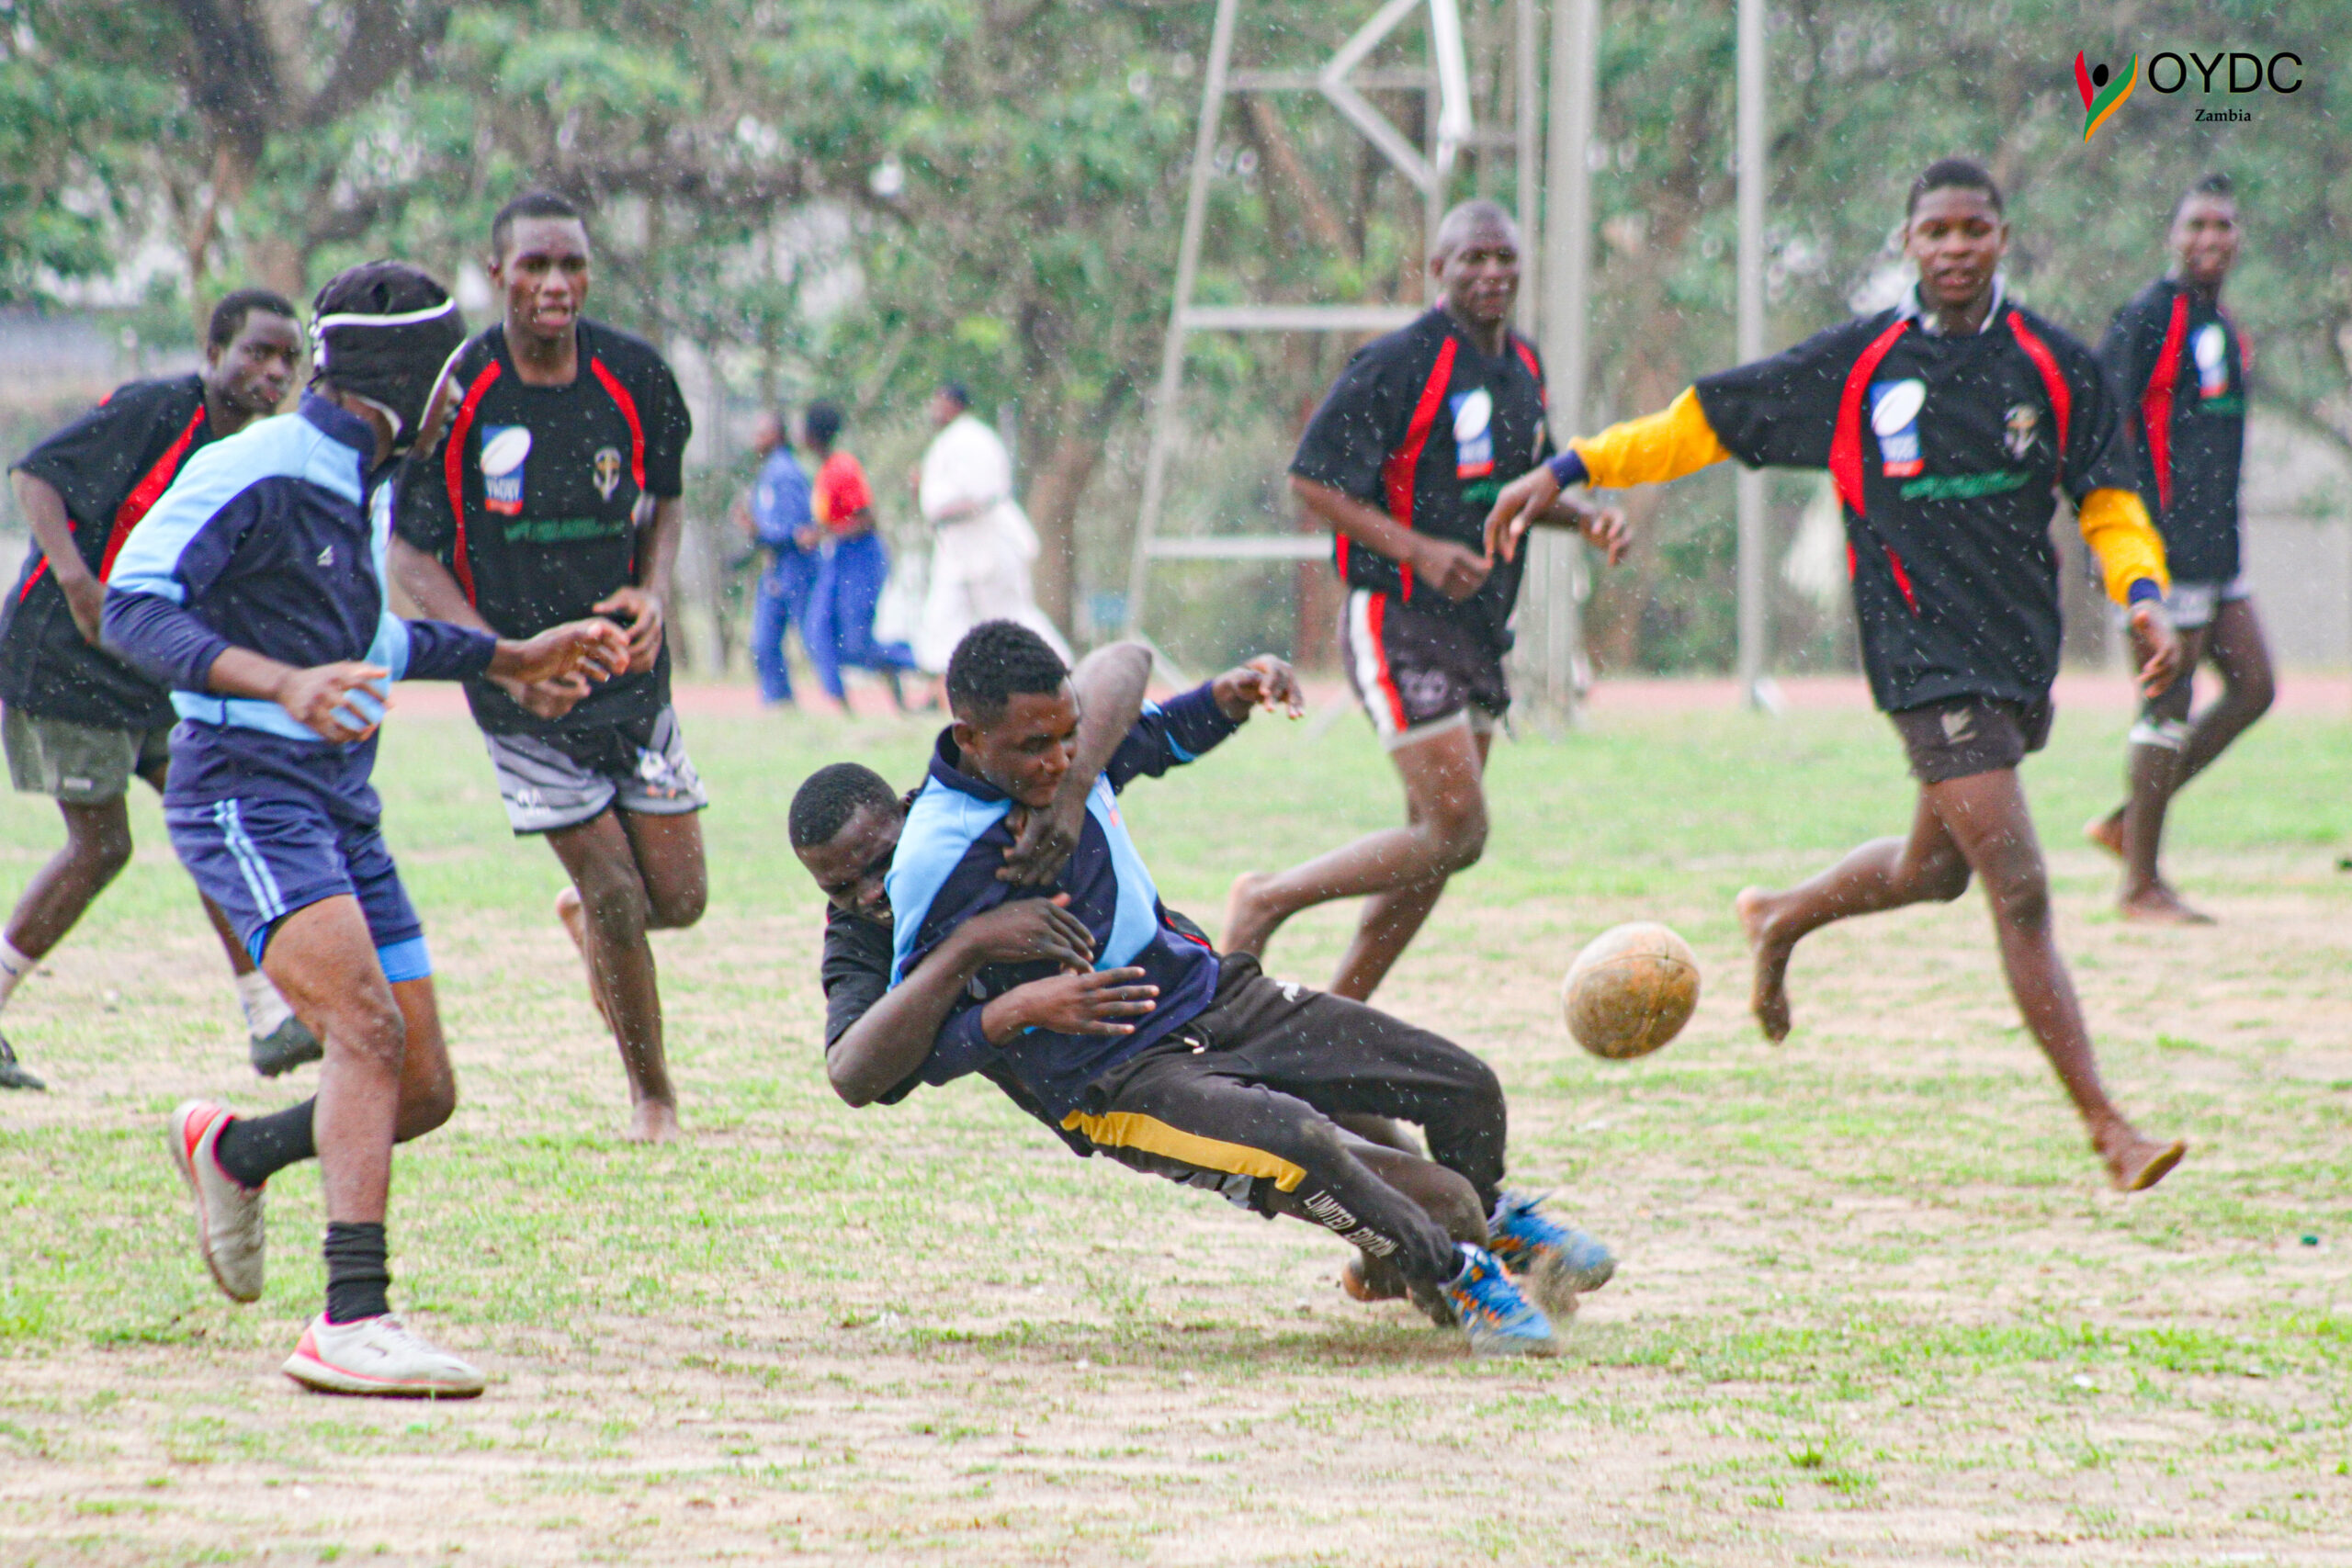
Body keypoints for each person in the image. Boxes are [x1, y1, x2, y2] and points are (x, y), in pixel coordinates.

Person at [1485, 159, 2187, 1193]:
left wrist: (2140, 594)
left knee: (1934, 872)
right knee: (2021, 887)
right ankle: (2108, 1127)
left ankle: (1778, 918)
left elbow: (2110, 499)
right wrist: (1567, 468)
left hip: (2011, 656)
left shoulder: (2052, 365)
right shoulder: (1858, 365)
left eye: (1972, 229)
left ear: (2001, 238)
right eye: (1934, 230)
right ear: (1907, 242)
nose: (1952, 247)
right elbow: (1701, 423)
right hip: (1917, 654)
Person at [104, 261, 630, 1396]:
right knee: (367, 1033)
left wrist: (507, 655)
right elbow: (133, 603)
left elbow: (373, 641)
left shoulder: (368, 480)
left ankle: (234, 1151)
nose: (462, 398)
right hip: (245, 783)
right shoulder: (260, 464)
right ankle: (349, 1317)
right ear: (408, 379)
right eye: (454, 374)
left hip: (342, 800)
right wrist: (275, 684)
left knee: (422, 1086)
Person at [825, 619, 1617, 1356]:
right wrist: (989, 975)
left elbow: (1130, 666)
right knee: (1327, 1154)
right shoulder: (935, 856)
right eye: (1037, 746)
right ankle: (1453, 1273)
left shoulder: (1066, 765)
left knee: (1465, 1085)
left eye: (1069, 736)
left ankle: (1492, 1224)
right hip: (1124, 1079)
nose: (1059, 758)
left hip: (1214, 995)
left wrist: (1208, 711)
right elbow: (878, 1065)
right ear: (970, 737)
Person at [1221, 200, 1627, 1007]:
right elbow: (1312, 479)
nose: (1491, 273)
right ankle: (1265, 899)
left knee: (1434, 844)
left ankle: (1334, 1018)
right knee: (1458, 830)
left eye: (1505, 258)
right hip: (1396, 617)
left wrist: (1584, 518)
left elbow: (1522, 485)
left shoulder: (1525, 367)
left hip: (1478, 629)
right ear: (1436, 269)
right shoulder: (1399, 362)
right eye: (1471, 258)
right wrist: (1420, 550)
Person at [391, 190, 705, 1144]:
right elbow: (410, 560)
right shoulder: (457, 400)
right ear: (497, 276)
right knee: (617, 892)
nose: (555, 284)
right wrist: (503, 663)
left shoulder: (636, 377)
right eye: (534, 266)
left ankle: (592, 923)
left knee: (678, 903)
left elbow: (664, 502)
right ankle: (652, 1096)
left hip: (629, 681)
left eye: (570, 264)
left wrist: (652, 592)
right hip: (524, 695)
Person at [0, 288, 319, 1090]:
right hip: (66, 659)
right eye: (256, 352)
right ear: (213, 355)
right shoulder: (157, 410)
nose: (273, 370)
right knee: (103, 845)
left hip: (150, 669)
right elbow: (37, 475)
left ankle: (269, 1017)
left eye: (288, 358)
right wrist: (77, 584)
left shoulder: (258, 450)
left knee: (215, 811)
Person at [2085, 173, 2272, 924]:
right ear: (2173, 234)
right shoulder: (2147, 318)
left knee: (2255, 685)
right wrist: (2124, 536)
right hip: (2164, 549)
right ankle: (2140, 885)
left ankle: (2128, 822)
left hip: (2219, 545)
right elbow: (2098, 420)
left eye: (2223, 225)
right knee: (2167, 702)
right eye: (2196, 224)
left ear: (2237, 237)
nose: (2210, 238)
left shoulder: (2221, 325)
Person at [911, 382, 1070, 673]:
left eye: (939, 402)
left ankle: (1059, 670)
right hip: (957, 545)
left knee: (1009, 617)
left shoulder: (974, 438)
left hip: (989, 541)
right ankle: (943, 686)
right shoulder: (948, 441)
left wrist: (942, 508)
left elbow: (982, 494)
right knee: (945, 616)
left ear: (954, 404)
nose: (934, 410)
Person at [800, 400, 917, 709]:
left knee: (856, 643)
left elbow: (867, 519)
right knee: (818, 629)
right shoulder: (824, 471)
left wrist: (823, 533)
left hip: (861, 557)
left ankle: (920, 661)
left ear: (813, 434)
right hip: (837, 558)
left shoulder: (842, 467)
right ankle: (839, 704)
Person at [731, 410, 819, 707]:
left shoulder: (784, 472)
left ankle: (837, 699)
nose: (756, 439)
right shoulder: (768, 471)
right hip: (775, 566)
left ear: (777, 435)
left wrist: (757, 529)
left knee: (813, 636)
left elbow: (798, 529)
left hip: (796, 566)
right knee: (763, 640)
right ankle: (778, 702)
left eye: (762, 432)